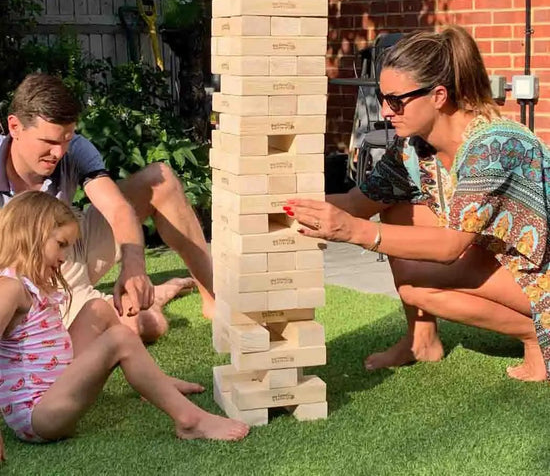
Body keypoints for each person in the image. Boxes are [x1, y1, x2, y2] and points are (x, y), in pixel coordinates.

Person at [285, 25, 550, 382]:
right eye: (382, 98)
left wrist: (354, 232)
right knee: (397, 210)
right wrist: (274, 203)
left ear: (438, 96)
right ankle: (421, 340)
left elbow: (448, 246)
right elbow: (357, 202)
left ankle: (535, 335)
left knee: (418, 285)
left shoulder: (494, 147)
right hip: (506, 258)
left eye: (396, 100)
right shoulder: (414, 147)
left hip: (541, 272)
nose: (385, 111)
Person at [0, 191, 248, 460]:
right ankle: (190, 420)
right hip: (38, 416)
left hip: (54, 388)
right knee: (119, 338)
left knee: (98, 308)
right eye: (60, 244)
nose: (63, 257)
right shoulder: (9, 288)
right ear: (30, 234)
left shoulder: (32, 284)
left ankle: (155, 383)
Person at [3, 73, 215, 344]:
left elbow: (117, 209)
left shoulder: (74, 149)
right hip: (28, 273)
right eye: (50, 142)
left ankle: (213, 300)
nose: (59, 153)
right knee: (146, 325)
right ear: (15, 126)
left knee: (161, 182)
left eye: (66, 139)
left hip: (72, 241)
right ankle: (154, 297)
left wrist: (134, 266)